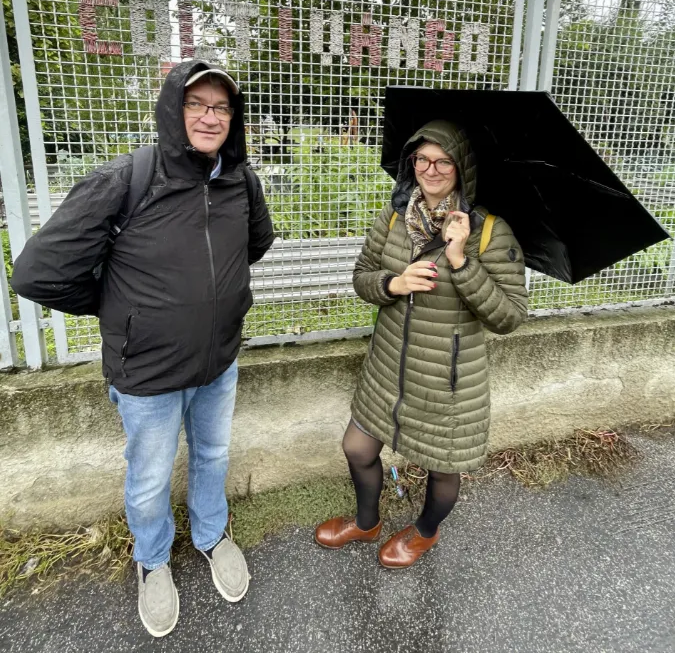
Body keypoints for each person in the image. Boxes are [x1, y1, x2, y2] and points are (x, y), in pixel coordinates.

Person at [12, 60, 274, 636]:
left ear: (235, 118)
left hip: (218, 363)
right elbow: (36, 272)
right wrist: (120, 307)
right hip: (147, 374)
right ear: (172, 110)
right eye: (196, 104)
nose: (210, 117)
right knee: (150, 478)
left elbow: (255, 244)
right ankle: (152, 561)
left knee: (212, 457)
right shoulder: (127, 179)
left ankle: (211, 534)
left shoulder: (240, 181)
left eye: (222, 107)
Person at [314, 119, 527, 568]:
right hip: (387, 367)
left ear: (460, 167)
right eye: (422, 159)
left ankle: (424, 533)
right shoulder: (394, 217)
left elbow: (509, 316)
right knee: (357, 447)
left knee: (442, 468)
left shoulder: (490, 232)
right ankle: (367, 521)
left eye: (442, 161)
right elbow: (361, 278)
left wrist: (460, 261)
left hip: (446, 381)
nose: (430, 170)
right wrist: (394, 283)